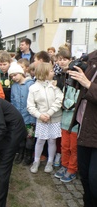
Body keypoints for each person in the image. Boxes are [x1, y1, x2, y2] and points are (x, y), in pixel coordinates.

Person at [68, 50, 97, 207]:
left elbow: (89, 85)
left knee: (94, 180)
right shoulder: (93, 60)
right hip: (84, 126)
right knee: (84, 175)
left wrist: (88, 84)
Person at [27, 62, 63, 173]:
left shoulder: (55, 85)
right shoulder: (33, 88)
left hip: (54, 118)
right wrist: (40, 115)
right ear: (44, 73)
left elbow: (59, 99)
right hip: (41, 119)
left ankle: (50, 162)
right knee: (40, 140)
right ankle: (36, 161)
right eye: (51, 70)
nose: (53, 72)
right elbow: (30, 106)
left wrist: (49, 113)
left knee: (52, 140)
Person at [54, 49, 80, 182]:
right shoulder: (66, 82)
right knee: (64, 145)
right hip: (64, 121)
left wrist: (64, 102)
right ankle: (64, 165)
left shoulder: (80, 86)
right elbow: (61, 98)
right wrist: (62, 101)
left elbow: (74, 102)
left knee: (73, 147)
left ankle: (72, 169)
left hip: (74, 123)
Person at [8, 62, 36, 165]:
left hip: (29, 117)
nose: (14, 78)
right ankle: (21, 153)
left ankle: (28, 155)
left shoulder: (30, 84)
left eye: (15, 75)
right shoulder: (14, 86)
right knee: (20, 137)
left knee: (29, 138)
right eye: (11, 76)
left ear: (21, 73)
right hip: (18, 117)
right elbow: (13, 100)